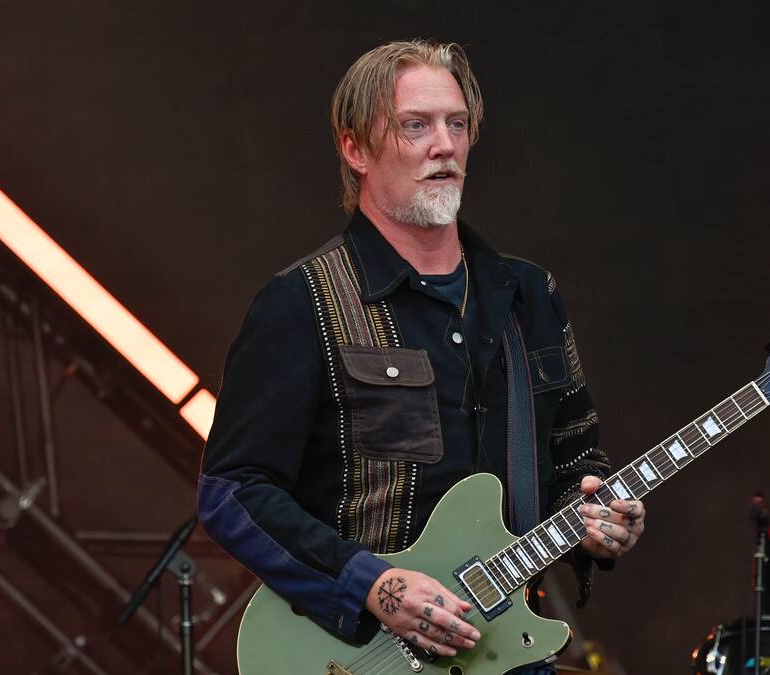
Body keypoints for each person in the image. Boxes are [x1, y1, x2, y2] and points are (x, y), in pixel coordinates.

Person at [197, 39, 645, 672]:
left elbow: (578, 458)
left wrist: (600, 519)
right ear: (354, 149)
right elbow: (233, 490)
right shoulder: (302, 302)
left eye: (457, 124)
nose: (445, 145)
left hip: (507, 654)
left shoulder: (529, 297)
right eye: (416, 126)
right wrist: (372, 585)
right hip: (357, 655)